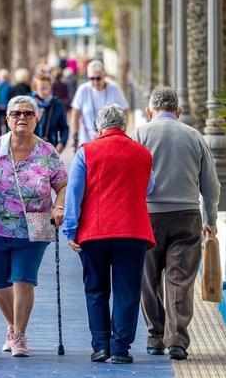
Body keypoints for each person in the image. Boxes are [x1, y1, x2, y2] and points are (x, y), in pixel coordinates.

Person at [0, 95, 67, 358]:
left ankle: (20, 335)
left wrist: (59, 206)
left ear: (37, 118)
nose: (22, 117)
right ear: (7, 118)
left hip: (35, 223)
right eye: (16, 114)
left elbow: (63, 184)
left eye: (28, 113)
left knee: (23, 280)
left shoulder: (47, 151)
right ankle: (12, 326)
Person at [63, 104, 155, 364]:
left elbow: (75, 194)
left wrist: (71, 229)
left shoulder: (86, 153)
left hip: (94, 232)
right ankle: (121, 348)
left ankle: (101, 346)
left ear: (99, 127)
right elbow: (150, 186)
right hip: (133, 231)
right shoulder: (143, 153)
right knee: (128, 289)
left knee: (96, 289)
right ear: (124, 126)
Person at [133, 86, 220, 361]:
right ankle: (177, 341)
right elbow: (211, 185)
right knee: (180, 279)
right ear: (178, 112)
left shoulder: (140, 135)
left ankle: (154, 336)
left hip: (147, 217)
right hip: (186, 216)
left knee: (148, 278)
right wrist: (211, 219)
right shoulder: (194, 136)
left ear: (150, 111)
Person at [70, 61, 129, 147]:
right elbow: (75, 114)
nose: (95, 81)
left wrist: (122, 132)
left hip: (110, 140)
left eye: (98, 78)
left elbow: (125, 111)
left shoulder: (114, 89)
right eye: (91, 78)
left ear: (104, 75)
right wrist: (74, 137)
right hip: (87, 139)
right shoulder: (83, 90)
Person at [31, 74, 69, 153]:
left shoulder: (57, 104)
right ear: (35, 89)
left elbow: (64, 127)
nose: (45, 91)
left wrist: (62, 143)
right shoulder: (28, 103)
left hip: (50, 147)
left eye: (47, 88)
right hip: (30, 148)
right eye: (42, 88)